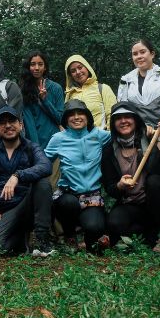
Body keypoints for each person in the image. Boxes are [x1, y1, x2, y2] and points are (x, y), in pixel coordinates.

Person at [102, 103, 160, 253]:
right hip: (131, 203)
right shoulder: (109, 150)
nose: (123, 121)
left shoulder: (150, 138)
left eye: (128, 117)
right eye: (118, 118)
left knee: (154, 181)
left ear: (136, 120)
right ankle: (150, 232)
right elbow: (110, 188)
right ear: (113, 123)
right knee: (115, 224)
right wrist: (120, 185)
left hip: (157, 202)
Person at [0, 105, 54, 258]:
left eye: (12, 121)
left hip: (27, 205)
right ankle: (19, 238)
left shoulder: (31, 147)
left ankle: (43, 239)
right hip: (3, 210)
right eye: (3, 123)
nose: (8, 125)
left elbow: (46, 166)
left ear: (20, 125)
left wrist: (17, 175)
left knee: (42, 183)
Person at [45, 100, 111, 252]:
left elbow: (122, 134)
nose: (76, 117)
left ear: (87, 117)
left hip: (92, 196)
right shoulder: (58, 138)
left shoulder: (98, 135)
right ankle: (70, 235)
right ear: (66, 119)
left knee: (94, 230)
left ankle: (88, 239)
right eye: (71, 115)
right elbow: (42, 161)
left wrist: (148, 129)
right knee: (68, 204)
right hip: (68, 195)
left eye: (80, 113)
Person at [19, 50, 64, 146]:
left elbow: (60, 119)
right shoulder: (24, 91)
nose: (36, 68)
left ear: (45, 67)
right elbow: (28, 122)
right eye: (33, 64)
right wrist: (35, 147)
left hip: (54, 143)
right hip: (34, 144)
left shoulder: (56, 88)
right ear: (28, 67)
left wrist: (45, 100)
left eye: (40, 64)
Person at [64, 54, 116, 130]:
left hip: (100, 136)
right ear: (70, 75)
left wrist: (109, 134)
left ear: (87, 67)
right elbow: (66, 121)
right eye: (73, 71)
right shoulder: (70, 95)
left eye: (80, 67)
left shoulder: (103, 89)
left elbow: (112, 115)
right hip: (77, 137)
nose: (78, 72)